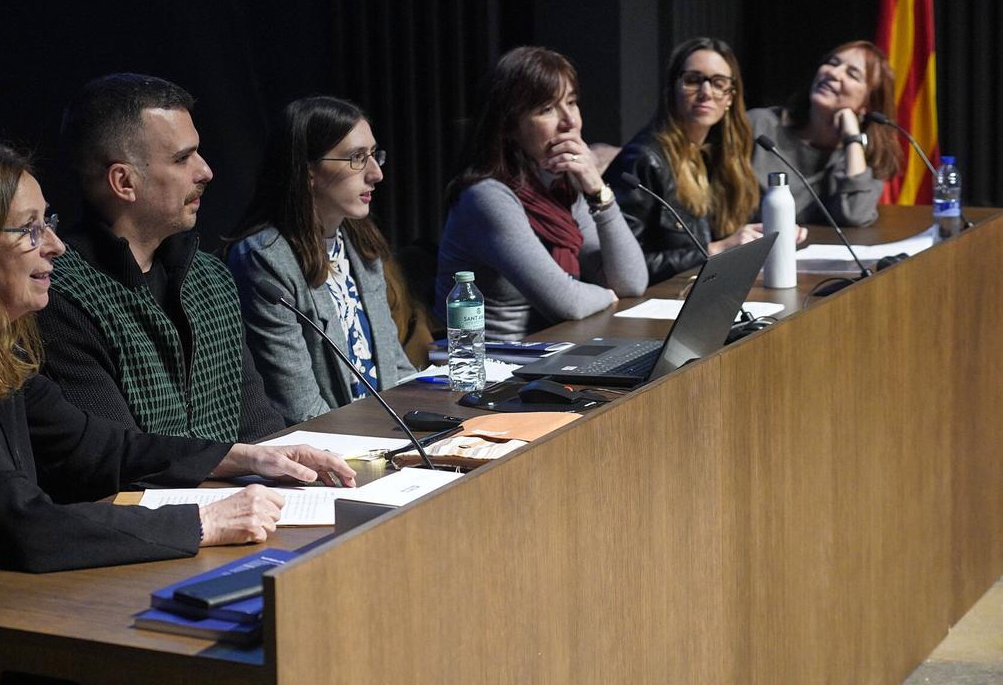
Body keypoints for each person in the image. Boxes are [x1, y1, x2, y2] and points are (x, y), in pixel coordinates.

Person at [0, 141, 355, 652]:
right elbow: (21, 525)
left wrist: (244, 457)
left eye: (50, 222)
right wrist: (205, 523)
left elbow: (99, 446)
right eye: (29, 229)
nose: (56, 246)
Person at [38, 73, 285, 444]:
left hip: (246, 497)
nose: (205, 171)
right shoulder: (59, 294)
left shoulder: (211, 277)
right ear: (124, 182)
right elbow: (122, 459)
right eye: (183, 158)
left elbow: (259, 430)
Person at [225, 97, 415, 424]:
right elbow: (301, 408)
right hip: (330, 450)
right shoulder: (265, 258)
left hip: (388, 433)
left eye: (374, 155)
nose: (376, 174)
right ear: (308, 170)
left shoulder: (360, 242)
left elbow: (395, 368)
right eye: (357, 158)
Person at [437, 46, 648, 340]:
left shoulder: (562, 184)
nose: (570, 121)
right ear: (509, 126)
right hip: (494, 366)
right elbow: (568, 302)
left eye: (572, 103)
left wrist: (598, 190)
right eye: (547, 109)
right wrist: (607, 295)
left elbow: (632, 282)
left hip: (552, 350)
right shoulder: (486, 197)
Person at [606, 37, 771, 285]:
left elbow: (747, 228)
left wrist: (776, 228)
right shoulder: (644, 159)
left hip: (711, 293)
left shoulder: (724, 157)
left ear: (730, 97)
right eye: (693, 80)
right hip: (656, 302)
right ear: (673, 89)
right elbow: (623, 267)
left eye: (718, 83)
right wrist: (714, 250)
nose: (706, 93)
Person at [749, 40, 902, 226]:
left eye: (852, 74)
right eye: (833, 63)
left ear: (868, 104)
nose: (833, 73)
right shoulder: (759, 126)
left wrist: (852, 140)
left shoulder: (862, 155)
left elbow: (855, 215)